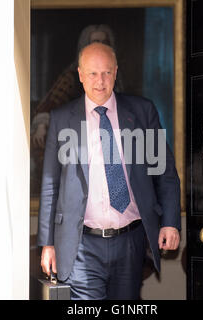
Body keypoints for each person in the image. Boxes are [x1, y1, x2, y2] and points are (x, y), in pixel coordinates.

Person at [37, 42, 181, 300]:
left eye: (106, 73)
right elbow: (51, 184)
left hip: (130, 241)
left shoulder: (141, 112)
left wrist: (170, 222)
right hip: (81, 244)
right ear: (80, 75)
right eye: (92, 73)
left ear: (116, 72)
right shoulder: (61, 119)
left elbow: (164, 173)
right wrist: (47, 243)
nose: (100, 81)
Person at [31, 24, 123, 196]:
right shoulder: (72, 76)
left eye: (105, 41)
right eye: (95, 41)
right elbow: (50, 105)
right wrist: (42, 124)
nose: (100, 45)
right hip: (78, 143)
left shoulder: (115, 76)